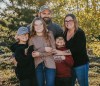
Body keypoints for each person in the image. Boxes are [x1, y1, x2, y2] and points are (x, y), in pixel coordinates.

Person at [29, 17, 56, 86]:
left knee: (50, 84)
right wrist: (44, 49)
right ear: (33, 27)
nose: (38, 27)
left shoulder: (50, 34)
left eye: (40, 24)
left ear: (44, 25)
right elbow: (33, 53)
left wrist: (40, 53)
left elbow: (53, 50)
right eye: (36, 25)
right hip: (38, 65)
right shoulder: (31, 38)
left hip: (50, 64)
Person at [63, 14, 89, 86]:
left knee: (83, 84)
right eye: (66, 21)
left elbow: (76, 49)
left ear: (74, 21)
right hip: (69, 64)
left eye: (70, 20)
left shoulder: (80, 33)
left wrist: (61, 52)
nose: (68, 22)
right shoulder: (65, 33)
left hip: (80, 64)